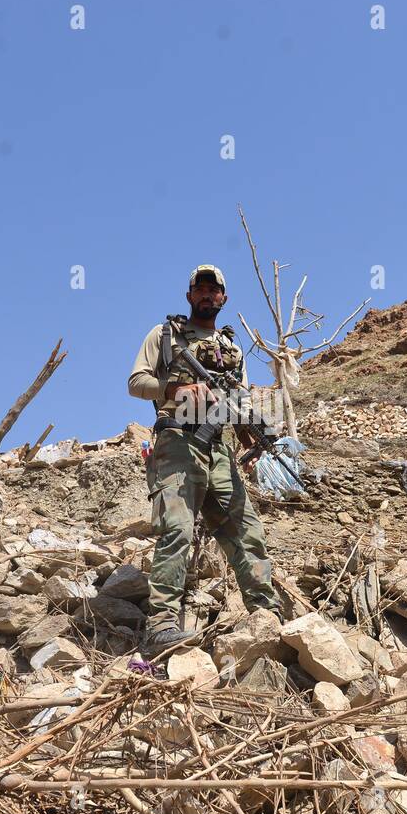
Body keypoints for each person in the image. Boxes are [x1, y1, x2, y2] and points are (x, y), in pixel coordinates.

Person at [127, 265, 282, 653]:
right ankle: (162, 625)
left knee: (246, 534)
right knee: (176, 529)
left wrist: (251, 430)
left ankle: (268, 616)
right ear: (190, 295)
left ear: (224, 299)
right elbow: (136, 383)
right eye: (202, 289)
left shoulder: (232, 347)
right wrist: (178, 387)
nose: (208, 295)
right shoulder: (165, 335)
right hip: (179, 441)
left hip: (221, 448)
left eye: (215, 290)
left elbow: (239, 398)